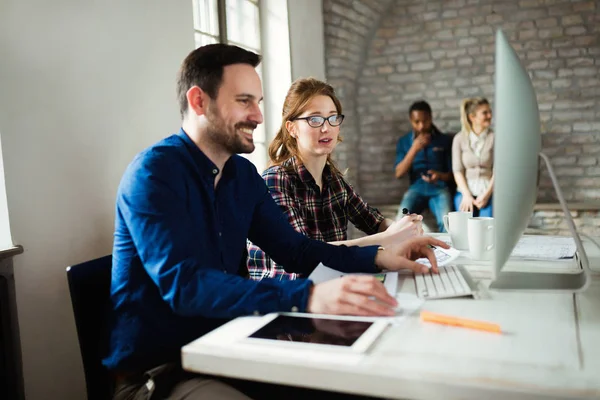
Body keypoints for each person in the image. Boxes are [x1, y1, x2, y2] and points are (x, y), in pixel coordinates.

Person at [104, 43, 448, 400]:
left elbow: (295, 250)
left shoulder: (241, 175)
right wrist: (310, 295)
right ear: (198, 102)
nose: (257, 115)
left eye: (258, 102)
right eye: (244, 101)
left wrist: (378, 256)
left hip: (231, 347)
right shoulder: (153, 174)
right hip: (161, 372)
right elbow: (186, 286)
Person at [247, 78, 423, 281]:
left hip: (330, 286)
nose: (326, 128)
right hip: (286, 297)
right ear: (292, 128)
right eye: (314, 119)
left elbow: (374, 221)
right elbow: (304, 254)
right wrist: (388, 238)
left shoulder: (335, 181)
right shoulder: (275, 180)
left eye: (332, 118)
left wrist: (404, 227)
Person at [394, 101, 454, 232]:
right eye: (417, 122)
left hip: (439, 189)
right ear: (411, 121)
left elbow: (452, 174)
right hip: (416, 190)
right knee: (400, 220)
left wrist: (439, 175)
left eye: (425, 121)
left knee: (448, 224)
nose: (421, 126)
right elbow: (398, 173)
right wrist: (414, 149)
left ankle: (448, 252)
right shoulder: (404, 142)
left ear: (431, 118)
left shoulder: (444, 140)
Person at [452, 97, 494, 217]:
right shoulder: (459, 139)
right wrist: (467, 195)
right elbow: (457, 171)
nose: (490, 115)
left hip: (489, 190)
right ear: (472, 117)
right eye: (485, 113)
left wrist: (486, 195)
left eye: (489, 111)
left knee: (486, 226)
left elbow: (499, 170)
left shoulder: (495, 138)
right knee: (464, 222)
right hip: (465, 190)